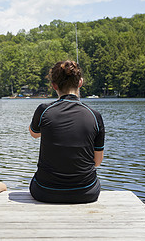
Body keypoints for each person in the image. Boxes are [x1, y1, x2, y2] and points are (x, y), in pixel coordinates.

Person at [28, 60, 105, 203]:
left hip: (45, 191)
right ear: (80, 82)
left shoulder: (43, 110)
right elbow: (97, 161)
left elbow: (34, 133)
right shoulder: (95, 115)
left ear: (54, 85)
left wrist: (52, 128)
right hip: (86, 192)